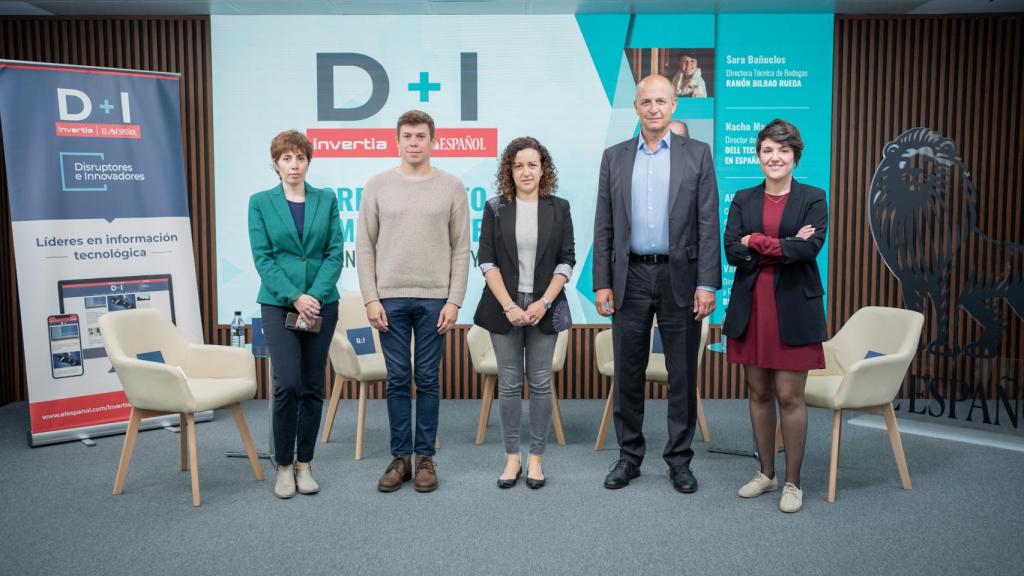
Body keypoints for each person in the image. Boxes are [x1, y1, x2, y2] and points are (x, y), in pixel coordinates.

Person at [592, 75, 721, 494]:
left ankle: (679, 460)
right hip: (628, 276)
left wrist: (707, 283)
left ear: (673, 106)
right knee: (627, 371)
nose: (653, 108)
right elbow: (604, 224)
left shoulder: (697, 155)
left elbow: (707, 222)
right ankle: (629, 457)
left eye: (661, 100)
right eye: (645, 101)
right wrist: (601, 283)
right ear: (636, 107)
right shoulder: (614, 157)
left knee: (682, 372)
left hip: (680, 278)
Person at [356, 110, 470, 493]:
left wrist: (454, 300)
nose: (414, 142)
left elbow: (461, 248)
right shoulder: (377, 185)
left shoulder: (452, 187)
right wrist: (371, 298)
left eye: (421, 136)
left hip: (435, 299)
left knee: (427, 379)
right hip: (388, 299)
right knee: (398, 379)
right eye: (407, 136)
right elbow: (365, 246)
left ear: (433, 140)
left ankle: (424, 457)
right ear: (398, 140)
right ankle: (400, 457)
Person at [722, 119, 828, 513]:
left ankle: (793, 482)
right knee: (759, 392)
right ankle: (765, 473)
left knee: (789, 396)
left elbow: (808, 250)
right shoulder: (743, 200)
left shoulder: (814, 198)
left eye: (783, 150)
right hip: (753, 307)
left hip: (794, 310)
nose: (775, 157)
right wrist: (783, 244)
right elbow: (732, 249)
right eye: (768, 150)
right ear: (758, 155)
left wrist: (759, 242)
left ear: (795, 156)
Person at [473, 136, 576, 490]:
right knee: (511, 382)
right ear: (509, 170)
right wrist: (509, 305)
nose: (526, 171)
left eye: (532, 164)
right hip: (504, 304)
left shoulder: (559, 208)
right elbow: (486, 259)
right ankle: (512, 458)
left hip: (544, 304)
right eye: (518, 165)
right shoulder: (495, 207)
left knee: (542, 382)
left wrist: (543, 302)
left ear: (543, 168)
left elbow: (567, 260)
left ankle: (536, 459)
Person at [248, 129, 343, 499]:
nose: (294, 165)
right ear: (275, 164)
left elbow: (334, 252)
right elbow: (263, 258)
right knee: (287, 383)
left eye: (300, 158)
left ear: (308, 162)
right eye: (286, 158)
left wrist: (314, 296)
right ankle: (283, 465)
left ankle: (305, 463)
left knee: (312, 385)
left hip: (321, 304)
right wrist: (295, 296)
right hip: (278, 303)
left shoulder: (326, 199)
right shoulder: (260, 202)